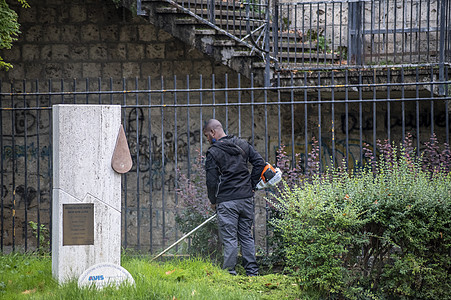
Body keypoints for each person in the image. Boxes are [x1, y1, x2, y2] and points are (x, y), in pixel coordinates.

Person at [203, 119, 266, 276]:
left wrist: (213, 201)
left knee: (230, 238)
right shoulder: (242, 144)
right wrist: (251, 185)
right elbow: (259, 162)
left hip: (227, 201)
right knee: (246, 235)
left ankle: (230, 273)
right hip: (245, 198)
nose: (207, 140)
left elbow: (211, 181)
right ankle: (252, 272)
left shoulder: (213, 152)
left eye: (207, 136)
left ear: (213, 132)